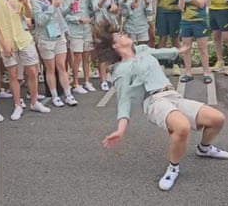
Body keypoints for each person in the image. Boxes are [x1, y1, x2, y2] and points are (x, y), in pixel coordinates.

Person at [96, 22, 228, 192]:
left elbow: (157, 52)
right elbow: (124, 100)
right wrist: (121, 129)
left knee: (217, 119)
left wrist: (178, 51)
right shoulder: (121, 70)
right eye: (119, 36)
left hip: (173, 95)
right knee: (182, 127)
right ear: (115, 46)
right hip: (154, 101)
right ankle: (173, 167)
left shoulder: (142, 50)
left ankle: (204, 148)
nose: (124, 35)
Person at [0, 0, 50, 121]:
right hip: (5, 40)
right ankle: (17, 105)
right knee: (13, 74)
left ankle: (34, 102)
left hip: (23, 37)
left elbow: (28, 15)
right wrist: (4, 44)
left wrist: (26, 3)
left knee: (32, 71)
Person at [30, 0, 77, 107]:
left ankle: (68, 94)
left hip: (58, 34)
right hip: (45, 37)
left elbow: (60, 12)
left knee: (62, 66)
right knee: (50, 69)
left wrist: (68, 8)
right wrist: (52, 7)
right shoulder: (35, 0)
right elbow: (40, 20)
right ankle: (55, 95)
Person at [178, 0, 211, 84]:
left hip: (199, 22)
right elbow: (180, 7)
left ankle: (206, 72)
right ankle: (188, 72)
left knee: (203, 48)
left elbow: (202, 4)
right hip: (186, 22)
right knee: (186, 49)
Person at [63, 0, 96, 94]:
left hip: (87, 30)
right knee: (77, 57)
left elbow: (92, 12)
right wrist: (78, 18)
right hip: (75, 31)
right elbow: (65, 15)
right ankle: (76, 82)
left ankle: (87, 81)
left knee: (86, 57)